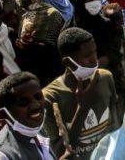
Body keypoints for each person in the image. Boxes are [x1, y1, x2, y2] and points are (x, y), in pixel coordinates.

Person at [42, 27, 119, 159]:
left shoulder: (105, 78)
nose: (94, 59)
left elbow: (114, 124)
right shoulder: (50, 97)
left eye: (95, 52)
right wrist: (83, 108)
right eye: (87, 55)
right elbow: (57, 152)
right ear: (67, 62)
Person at [0, 71, 54, 160]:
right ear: (5, 114)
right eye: (24, 102)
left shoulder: (39, 134)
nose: (36, 105)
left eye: (38, 97)